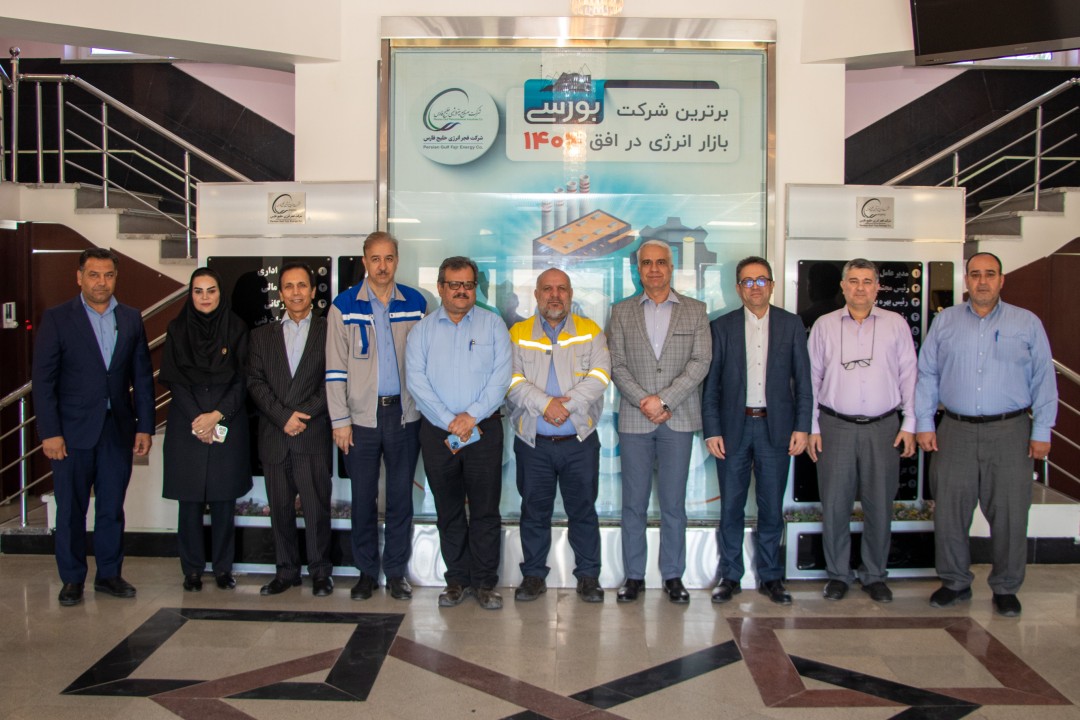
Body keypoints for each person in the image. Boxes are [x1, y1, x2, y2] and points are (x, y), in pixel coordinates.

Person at [916, 252, 1056, 617]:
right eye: (975, 274)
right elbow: (927, 373)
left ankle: (1006, 587)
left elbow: (1044, 378)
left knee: (1010, 513)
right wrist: (925, 422)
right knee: (949, 512)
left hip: (1010, 431)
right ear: (966, 280)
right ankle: (954, 582)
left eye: (989, 274)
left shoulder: (1026, 323)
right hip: (955, 431)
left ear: (1001, 280)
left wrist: (1042, 429)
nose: (982, 281)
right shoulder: (945, 321)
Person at [33, 248, 155, 607]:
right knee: (70, 510)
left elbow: (142, 378)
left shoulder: (130, 318)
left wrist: (145, 427)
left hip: (117, 431)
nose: (101, 282)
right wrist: (50, 432)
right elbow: (43, 381)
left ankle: (109, 574)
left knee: (111, 507)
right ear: (79, 277)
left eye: (108, 275)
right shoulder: (58, 318)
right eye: (94, 275)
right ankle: (72, 579)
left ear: (116, 278)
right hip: (70, 434)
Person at [702, 256, 812, 605]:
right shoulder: (722, 327)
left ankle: (770, 576)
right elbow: (711, 386)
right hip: (733, 430)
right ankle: (730, 576)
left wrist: (803, 427)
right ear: (738, 288)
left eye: (761, 280)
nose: (755, 287)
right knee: (731, 507)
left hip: (775, 430)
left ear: (772, 285)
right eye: (747, 281)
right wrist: (712, 430)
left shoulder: (791, 325)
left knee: (770, 506)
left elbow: (804, 382)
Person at [807, 258, 916, 604]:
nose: (860, 288)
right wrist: (811, 426)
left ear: (877, 287)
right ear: (843, 286)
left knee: (879, 505)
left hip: (884, 427)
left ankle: (874, 575)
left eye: (867, 281)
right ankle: (838, 575)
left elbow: (909, 375)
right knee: (835, 505)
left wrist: (910, 423)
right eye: (853, 281)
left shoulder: (895, 324)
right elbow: (811, 379)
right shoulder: (824, 325)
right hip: (834, 426)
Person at [405, 256, 512, 609]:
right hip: (439, 433)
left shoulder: (493, 325)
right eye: (455, 285)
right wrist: (450, 419)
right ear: (440, 287)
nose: (462, 291)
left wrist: (471, 416)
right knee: (448, 510)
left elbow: (501, 378)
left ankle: (484, 583)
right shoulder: (422, 331)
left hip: (484, 430)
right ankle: (456, 580)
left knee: (485, 510)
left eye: (468, 285)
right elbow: (416, 381)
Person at [608, 240, 711, 604]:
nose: (654, 269)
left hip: (677, 418)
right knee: (633, 503)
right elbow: (616, 364)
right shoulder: (621, 312)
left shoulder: (695, 310)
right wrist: (645, 401)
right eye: (647, 263)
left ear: (671, 267)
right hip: (635, 420)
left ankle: (673, 575)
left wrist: (664, 399)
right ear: (638, 269)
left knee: (673, 504)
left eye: (661, 262)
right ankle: (633, 576)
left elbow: (701, 361)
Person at [326, 232, 427, 601]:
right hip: (360, 420)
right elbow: (334, 369)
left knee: (401, 498)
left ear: (397, 260)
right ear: (364, 261)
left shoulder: (416, 303)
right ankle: (367, 572)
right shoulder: (344, 306)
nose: (382, 266)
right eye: (375, 259)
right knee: (363, 498)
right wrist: (340, 421)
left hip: (404, 416)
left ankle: (396, 572)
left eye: (388, 258)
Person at [506, 268, 610, 604]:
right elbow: (511, 380)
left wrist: (567, 406)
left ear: (570, 294)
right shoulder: (518, 332)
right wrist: (546, 404)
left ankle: (589, 576)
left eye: (561, 288)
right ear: (536, 295)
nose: (555, 295)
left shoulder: (590, 331)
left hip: (579, 441)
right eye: (548, 289)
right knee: (534, 511)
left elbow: (600, 375)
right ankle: (533, 576)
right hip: (533, 443)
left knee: (583, 510)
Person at [160, 268, 252, 592]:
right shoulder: (177, 329)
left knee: (224, 500)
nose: (205, 297)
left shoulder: (237, 328)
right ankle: (192, 570)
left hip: (226, 418)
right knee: (189, 502)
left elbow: (243, 380)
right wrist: (198, 419)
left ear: (220, 293)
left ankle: (224, 568)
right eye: (198, 291)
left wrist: (216, 415)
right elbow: (175, 380)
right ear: (191, 294)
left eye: (211, 290)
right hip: (188, 422)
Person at [248, 263, 334, 597]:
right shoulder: (261, 336)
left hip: (311, 434)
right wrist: (283, 417)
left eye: (302, 286)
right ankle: (286, 571)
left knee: (316, 508)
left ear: (313, 291)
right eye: (288, 286)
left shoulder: (330, 331)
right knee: (280, 509)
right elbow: (255, 382)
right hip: (275, 434)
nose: (296, 292)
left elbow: (334, 380)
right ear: (280, 293)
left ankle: (321, 572)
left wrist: (303, 415)